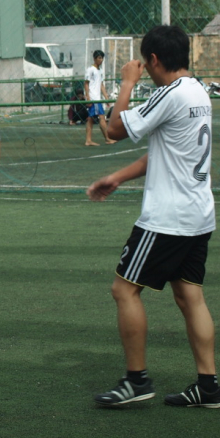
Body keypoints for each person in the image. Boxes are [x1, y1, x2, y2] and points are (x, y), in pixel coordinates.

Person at [88, 25, 219, 408]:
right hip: (198, 214)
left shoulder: (171, 94)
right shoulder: (197, 91)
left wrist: (127, 83)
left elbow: (113, 129)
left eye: (145, 62)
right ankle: (209, 386)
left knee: (124, 289)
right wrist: (116, 177)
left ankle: (136, 381)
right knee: (189, 295)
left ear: (154, 60)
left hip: (167, 217)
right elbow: (165, 153)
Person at [84, 50, 116, 146]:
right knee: (101, 117)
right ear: (94, 59)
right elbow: (86, 83)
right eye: (99, 58)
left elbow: (101, 84)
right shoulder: (90, 70)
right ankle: (107, 138)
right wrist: (88, 97)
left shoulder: (100, 70)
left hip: (98, 98)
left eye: (102, 58)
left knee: (90, 119)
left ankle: (88, 140)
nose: (101, 60)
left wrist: (106, 97)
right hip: (94, 98)